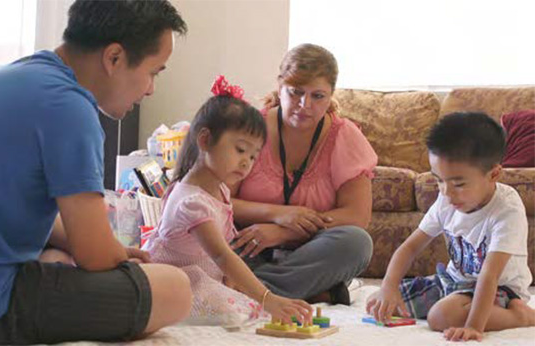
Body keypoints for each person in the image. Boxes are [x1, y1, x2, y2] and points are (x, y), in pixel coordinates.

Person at [0, 1, 191, 344]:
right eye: (154, 71)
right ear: (114, 58)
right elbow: (95, 255)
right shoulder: (69, 108)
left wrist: (105, 247)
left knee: (58, 254)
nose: (150, 89)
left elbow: (66, 233)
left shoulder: (26, 76)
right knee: (175, 288)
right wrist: (113, 252)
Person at [142, 76, 313, 327]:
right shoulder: (191, 202)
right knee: (237, 313)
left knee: (244, 303)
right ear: (204, 140)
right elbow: (222, 255)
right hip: (177, 280)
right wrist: (267, 298)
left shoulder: (220, 189)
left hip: (206, 275)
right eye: (240, 150)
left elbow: (225, 252)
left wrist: (233, 283)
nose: (247, 162)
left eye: (254, 156)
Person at [365, 112, 535, 342]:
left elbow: (489, 275)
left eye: (459, 183)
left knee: (440, 317)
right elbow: (410, 247)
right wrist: (388, 286)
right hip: (454, 282)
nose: (446, 191)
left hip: (500, 288)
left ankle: (521, 317)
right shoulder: (447, 200)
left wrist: (474, 326)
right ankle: (453, 304)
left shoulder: (506, 209)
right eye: (439, 180)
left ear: (493, 174)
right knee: (379, 302)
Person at [231, 44, 377, 304]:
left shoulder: (344, 136)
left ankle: (248, 291)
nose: (304, 105)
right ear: (280, 86)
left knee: (357, 242)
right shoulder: (250, 127)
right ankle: (310, 291)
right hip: (251, 245)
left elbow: (357, 215)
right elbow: (221, 201)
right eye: (295, 92)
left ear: (331, 95)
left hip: (309, 251)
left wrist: (286, 231)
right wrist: (277, 215)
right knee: (208, 241)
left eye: (317, 96)